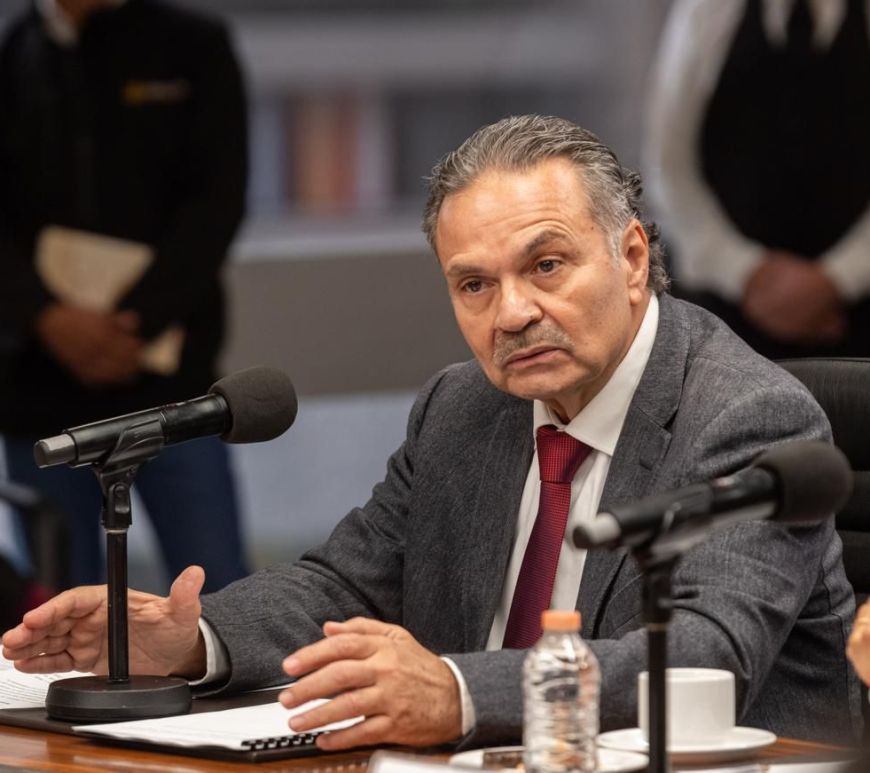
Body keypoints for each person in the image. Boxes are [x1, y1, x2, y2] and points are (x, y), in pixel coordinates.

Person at [2, 116, 860, 749]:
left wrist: (455, 689)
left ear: (632, 257)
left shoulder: (745, 416)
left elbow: (701, 660)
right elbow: (345, 584)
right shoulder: (463, 406)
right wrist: (190, 638)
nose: (512, 313)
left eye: (546, 266)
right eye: (474, 285)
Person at [0, 0, 248, 592]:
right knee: (61, 606)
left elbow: (216, 202)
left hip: (170, 385)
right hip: (38, 383)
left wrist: (136, 324)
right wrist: (48, 319)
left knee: (215, 589)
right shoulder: (13, 53)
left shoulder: (193, 43)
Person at [645, 0, 870, 359]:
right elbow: (668, 164)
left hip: (856, 319)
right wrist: (745, 272)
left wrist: (840, 277)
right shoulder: (706, 9)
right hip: (722, 316)